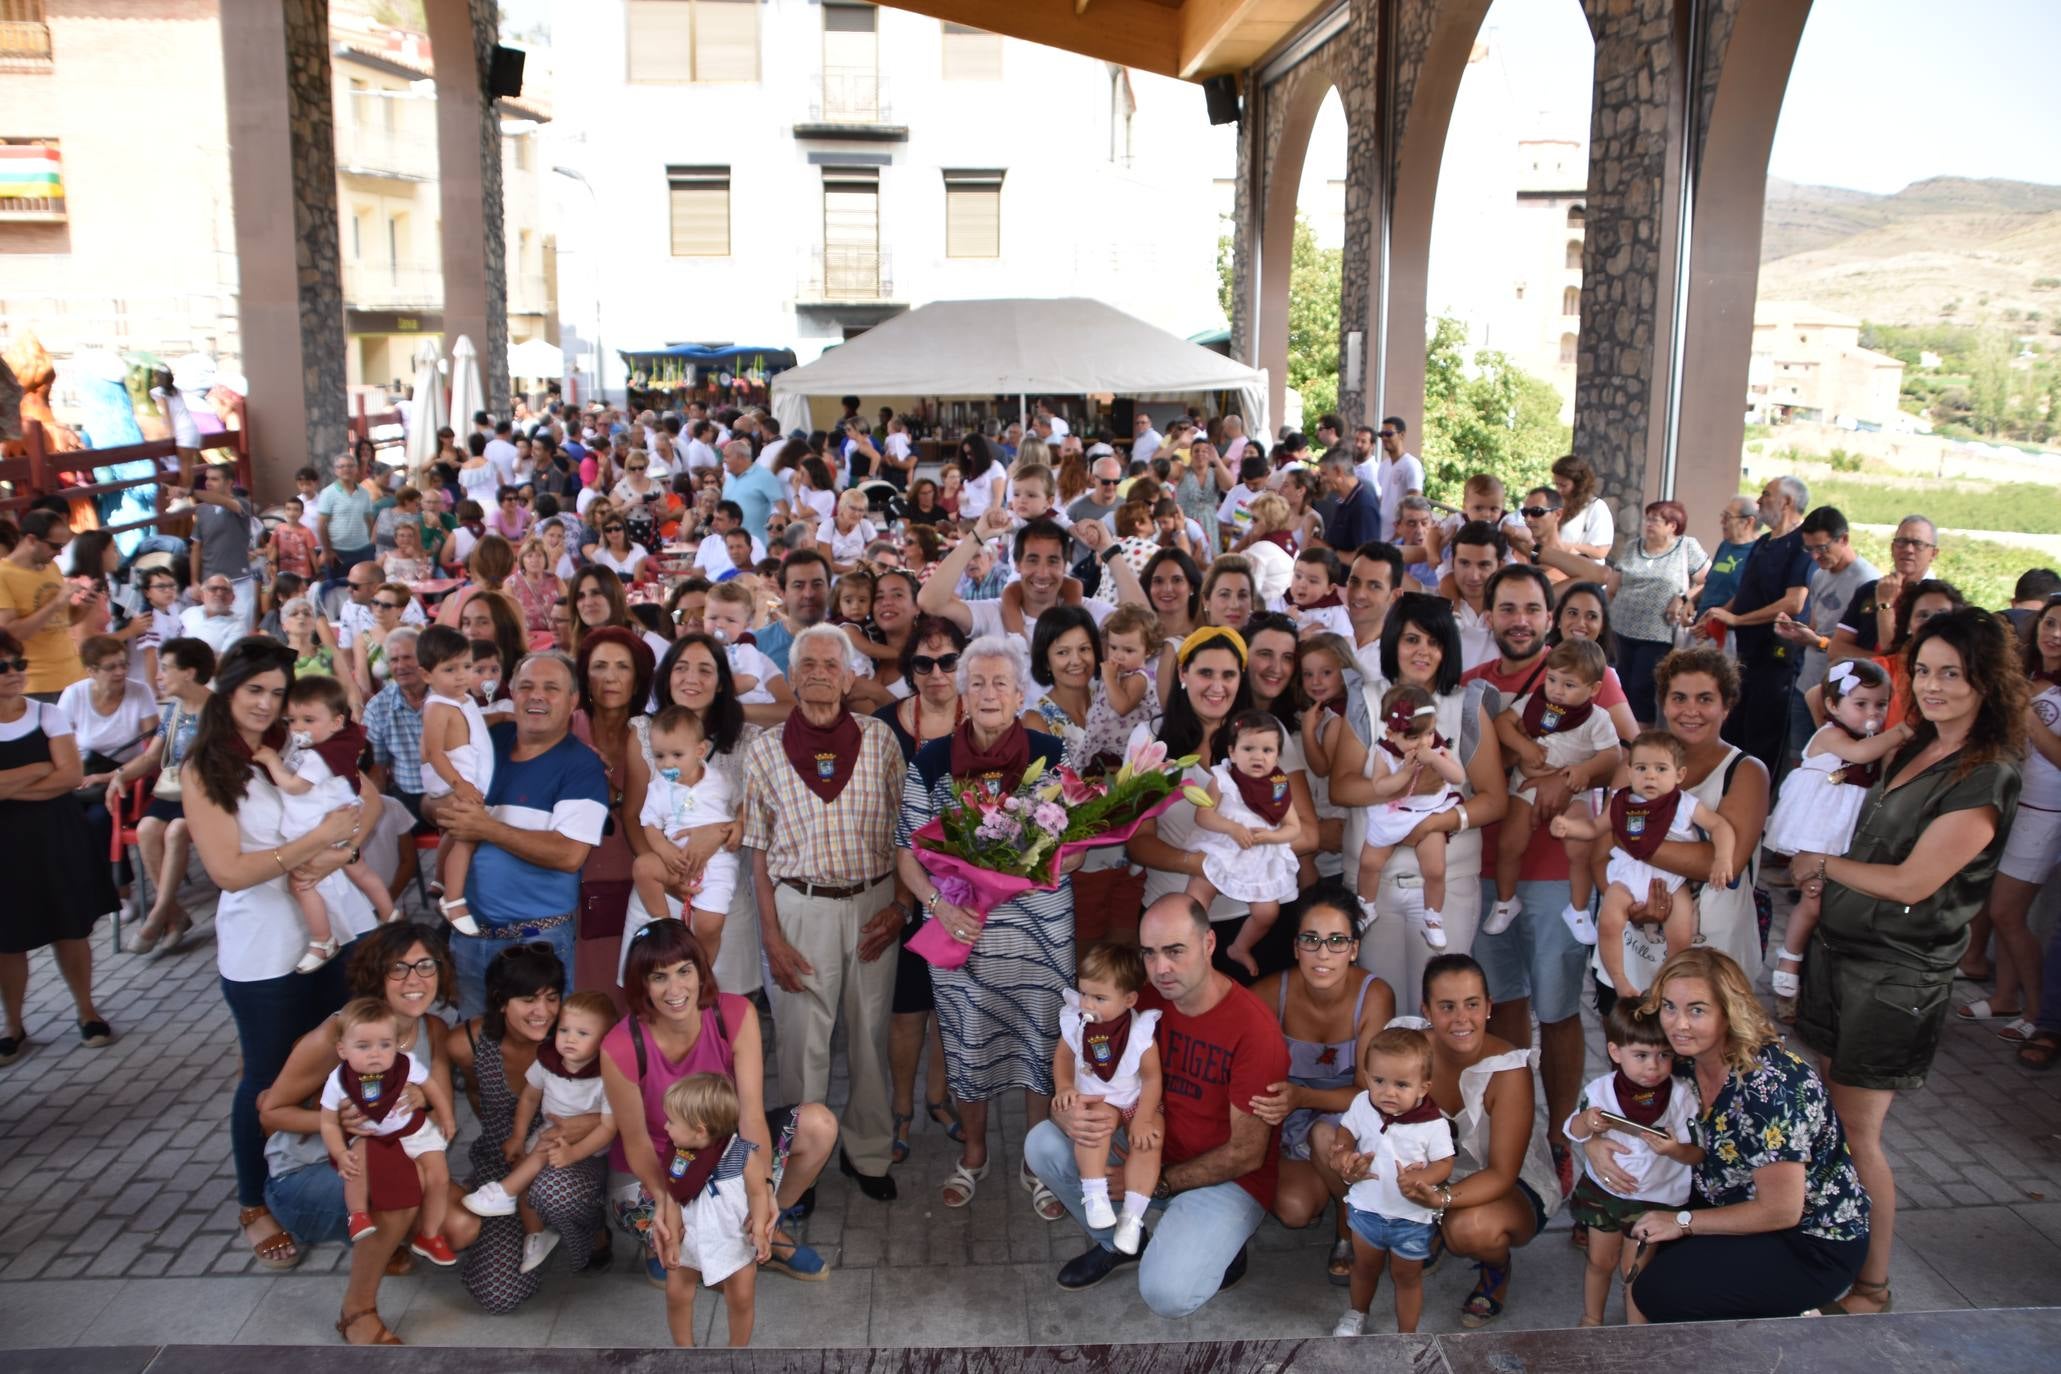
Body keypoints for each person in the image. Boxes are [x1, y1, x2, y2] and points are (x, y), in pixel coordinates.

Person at [1790, 607, 2023, 1316]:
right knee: (1831, 1119)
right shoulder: (1911, 742)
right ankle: (1827, 1250)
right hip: (1839, 955)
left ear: (1986, 681)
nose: (1931, 687)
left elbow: (1913, 883)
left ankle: (1872, 1285)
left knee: (1859, 1133)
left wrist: (1825, 866)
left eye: (1951, 673)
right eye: (1921, 671)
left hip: (1893, 978)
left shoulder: (1986, 776)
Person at [182, 639, 384, 1263]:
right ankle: (254, 1201)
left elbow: (363, 798)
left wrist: (345, 847)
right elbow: (229, 871)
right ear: (226, 690)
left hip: (332, 934)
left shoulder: (292, 744)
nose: (267, 704)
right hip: (263, 950)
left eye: (276, 692)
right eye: (255, 691)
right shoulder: (204, 767)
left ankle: (330, 1181)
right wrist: (315, 845)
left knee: (335, 1063)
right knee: (265, 1078)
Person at [1027, 895, 1290, 1316]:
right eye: (1149, 953)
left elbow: (1247, 1154)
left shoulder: (1253, 1030)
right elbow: (1081, 1071)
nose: (1160, 968)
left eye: (1174, 951)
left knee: (1166, 1293)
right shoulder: (1139, 1000)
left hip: (1222, 1178)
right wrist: (1068, 1113)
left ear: (1208, 944)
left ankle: (1218, 1243)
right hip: (1143, 1143)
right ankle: (1119, 1241)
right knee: (1044, 1142)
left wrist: (1160, 1183)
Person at [894, 635, 1077, 1216]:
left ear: (1021, 693)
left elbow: (1077, 847)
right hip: (964, 931)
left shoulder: (1054, 753)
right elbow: (908, 851)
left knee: (1041, 1041)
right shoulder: (931, 761)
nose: (990, 692)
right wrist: (936, 904)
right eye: (978, 683)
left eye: (1002, 683)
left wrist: (1041, 862)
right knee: (967, 1038)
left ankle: (1035, 1159)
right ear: (963, 695)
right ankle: (973, 1153)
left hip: (1041, 932)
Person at [1608, 949, 1870, 1322]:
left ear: (1728, 1012)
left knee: (1659, 1290)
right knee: (1644, 1250)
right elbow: (1616, 1101)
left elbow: (1781, 1210)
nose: (1678, 1024)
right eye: (1668, 1007)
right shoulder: (1679, 1059)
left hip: (1809, 1241)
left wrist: (1683, 1223)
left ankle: (1790, 1317)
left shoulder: (1770, 1088)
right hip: (1725, 1198)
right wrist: (1599, 1144)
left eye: (1697, 1010)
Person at [742, 624, 908, 1199]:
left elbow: (905, 832)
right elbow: (758, 854)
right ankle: (798, 1161)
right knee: (800, 1046)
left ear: (849, 676)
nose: (818, 673)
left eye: (830, 664)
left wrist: (903, 905)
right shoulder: (762, 751)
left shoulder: (880, 740)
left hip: (873, 903)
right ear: (790, 677)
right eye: (806, 664)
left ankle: (868, 1155)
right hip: (799, 907)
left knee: (868, 1035)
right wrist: (771, 936)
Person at [601, 920, 833, 1287]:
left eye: (684, 971)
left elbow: (751, 1116)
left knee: (819, 1125)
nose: (675, 989)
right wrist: (666, 1200)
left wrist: (763, 1191)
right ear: (641, 984)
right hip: (658, 1169)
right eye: (658, 977)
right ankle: (676, 1241)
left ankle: (766, 1225)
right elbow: (637, 1144)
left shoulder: (735, 1014)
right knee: (687, 1245)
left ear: (701, 971)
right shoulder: (619, 1045)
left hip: (726, 1152)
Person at [254, 924, 451, 1341]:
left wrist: (423, 1101)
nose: (414, 979)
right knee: (402, 1189)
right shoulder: (336, 1034)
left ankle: (390, 1241)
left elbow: (438, 1110)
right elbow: (270, 1113)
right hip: (304, 1174)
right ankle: (356, 1311)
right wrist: (335, 1122)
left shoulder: (432, 1030)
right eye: (399, 968)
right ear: (376, 975)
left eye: (425, 966)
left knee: (461, 1225)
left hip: (383, 1158)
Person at [1328, 594, 1509, 999]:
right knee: (1385, 1004)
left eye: (1434, 641)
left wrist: (1435, 823)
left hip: (1449, 884)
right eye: (1412, 639)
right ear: (1393, 642)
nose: (1422, 651)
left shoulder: (1466, 706)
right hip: (1375, 883)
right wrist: (1400, 789)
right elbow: (1341, 786)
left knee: (1442, 1006)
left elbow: (1494, 799)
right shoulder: (1367, 700)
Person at [438, 651, 610, 1015]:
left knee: (539, 1053)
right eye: (527, 686)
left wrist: (486, 827)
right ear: (511, 693)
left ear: (573, 701)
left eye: (551, 688)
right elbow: (432, 801)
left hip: (537, 941)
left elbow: (569, 855)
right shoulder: (487, 743)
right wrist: (446, 811)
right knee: (477, 1049)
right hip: (470, 936)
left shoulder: (582, 766)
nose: (537, 696)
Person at [1602, 647, 1774, 998]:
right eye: (1679, 697)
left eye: (1705, 699)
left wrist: (1630, 836)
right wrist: (1626, 905)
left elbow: (1724, 862)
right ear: (1664, 703)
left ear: (1726, 706)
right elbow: (1598, 852)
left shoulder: (1746, 771)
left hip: (1715, 960)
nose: (1691, 710)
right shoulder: (1634, 765)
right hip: (1632, 956)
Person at [872, 616, 970, 1162]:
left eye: (949, 660)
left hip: (966, 886)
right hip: (900, 881)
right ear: (909, 670)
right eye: (924, 663)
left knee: (948, 1002)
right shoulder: (884, 725)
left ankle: (940, 1097)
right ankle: (902, 1108)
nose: (937, 673)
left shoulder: (977, 719)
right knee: (907, 1007)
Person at [0, 624, 119, 1068]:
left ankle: (87, 1010)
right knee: (8, 940)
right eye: (3, 666)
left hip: (55, 834)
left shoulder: (45, 714)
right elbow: (55, 773)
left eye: (19, 664)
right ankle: (12, 1024)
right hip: (7, 846)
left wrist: (7, 786)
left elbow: (70, 776)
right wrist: (37, 768)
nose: (14, 672)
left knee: (71, 929)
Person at [1761, 659, 1907, 1003]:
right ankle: (1789, 960)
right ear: (1832, 704)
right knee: (1813, 900)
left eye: (1881, 705)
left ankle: (1816, 972)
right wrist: (1900, 731)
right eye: (1860, 704)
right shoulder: (1832, 735)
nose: (1872, 713)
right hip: (1820, 829)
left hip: (1845, 830)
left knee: (1833, 904)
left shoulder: (1865, 735)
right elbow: (1859, 753)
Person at [459, 989, 619, 1276]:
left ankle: (505, 1191)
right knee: (525, 1165)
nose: (570, 1039)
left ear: (605, 1041)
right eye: (564, 1030)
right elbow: (530, 1098)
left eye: (583, 1033)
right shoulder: (548, 1062)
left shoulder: (606, 1074)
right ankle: (536, 1234)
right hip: (547, 1132)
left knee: (536, 1160)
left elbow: (608, 1128)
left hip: (586, 1146)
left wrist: (574, 1153)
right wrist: (518, 1136)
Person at [1564, 1000, 1703, 1328]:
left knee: (1633, 1270)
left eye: (1663, 1055)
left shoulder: (1681, 1095)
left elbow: (1697, 1153)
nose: (1653, 1067)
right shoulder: (1600, 1090)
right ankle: (1591, 1318)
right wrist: (1588, 1122)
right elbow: (1572, 1129)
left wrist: (1673, 1150)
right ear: (1615, 1051)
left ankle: (1635, 1332)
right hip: (1605, 1193)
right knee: (1600, 1260)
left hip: (1656, 1199)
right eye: (1640, 1055)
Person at [251, 675, 401, 970]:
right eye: (292, 720)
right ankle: (388, 913)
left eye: (309, 720)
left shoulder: (319, 757)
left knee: (302, 884)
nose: (299, 728)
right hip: (335, 826)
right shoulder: (324, 750)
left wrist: (270, 761)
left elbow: (295, 787)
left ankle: (322, 940)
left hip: (322, 831)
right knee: (360, 871)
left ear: (336, 722)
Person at [1326, 1025, 1455, 1336]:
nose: (1388, 1092)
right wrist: (1343, 1153)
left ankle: (1406, 1335)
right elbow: (1346, 1130)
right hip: (1366, 1209)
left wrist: (1422, 1178)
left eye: (1401, 1084)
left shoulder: (1433, 1123)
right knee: (1364, 1268)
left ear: (1424, 1087)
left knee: (1407, 1277)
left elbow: (1445, 1163)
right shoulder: (1362, 1105)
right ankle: (1357, 1313)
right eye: (1379, 1081)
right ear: (1367, 1076)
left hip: (1410, 1217)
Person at [1487, 637, 1618, 934]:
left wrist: (1586, 769)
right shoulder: (1535, 703)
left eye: (1569, 685)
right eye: (1553, 679)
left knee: (1579, 846)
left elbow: (1613, 755)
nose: (1557, 690)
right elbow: (1501, 723)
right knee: (1509, 843)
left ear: (1594, 689)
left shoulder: (1597, 719)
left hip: (1575, 789)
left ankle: (1579, 909)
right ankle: (1505, 902)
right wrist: (1524, 747)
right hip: (1525, 785)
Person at [1537, 499, 1708, 725]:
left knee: (1642, 688)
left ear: (1672, 525)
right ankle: (1613, 733)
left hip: (1657, 635)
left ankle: (1638, 739)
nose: (1648, 524)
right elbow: (1612, 588)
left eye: (1655, 520)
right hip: (1620, 630)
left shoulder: (1686, 547)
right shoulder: (1632, 547)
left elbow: (1708, 580)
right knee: (1619, 684)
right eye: (1648, 519)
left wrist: (1684, 598)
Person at [320, 995, 457, 1263]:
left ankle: (430, 1234)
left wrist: (446, 1115)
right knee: (354, 1165)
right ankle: (357, 1215)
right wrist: (338, 1151)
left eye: (385, 1044)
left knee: (439, 1174)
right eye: (363, 1046)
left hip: (412, 1130)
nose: (375, 1053)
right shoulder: (339, 1080)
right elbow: (327, 1121)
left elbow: (430, 1086)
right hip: (371, 1136)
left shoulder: (404, 1064)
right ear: (342, 1050)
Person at [1052, 941, 1164, 1255]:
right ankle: (1095, 1193)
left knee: (1150, 1139)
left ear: (1129, 999)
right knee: (1094, 1125)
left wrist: (1142, 1117)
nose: (1088, 1004)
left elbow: (1153, 1077)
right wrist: (1064, 1087)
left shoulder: (1139, 1032)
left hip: (1136, 1098)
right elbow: (1062, 1057)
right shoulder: (1076, 1022)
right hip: (1100, 1097)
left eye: (1099, 998)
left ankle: (1131, 1217)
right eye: (1085, 993)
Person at [1698, 476, 1812, 779]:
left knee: (1763, 738)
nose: (1760, 501)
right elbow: (1746, 592)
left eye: (1766, 495)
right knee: (1735, 728)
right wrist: (1721, 615)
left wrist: (1738, 620)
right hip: (1745, 654)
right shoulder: (1763, 542)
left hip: (1776, 657)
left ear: (1787, 502)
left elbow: (1793, 602)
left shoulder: (1801, 544)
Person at [1187, 709, 1304, 976]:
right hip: (1224, 847)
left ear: (1277, 755)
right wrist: (1231, 827)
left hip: (1258, 855)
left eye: (1267, 750)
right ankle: (1193, 947)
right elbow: (1202, 815)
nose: (1258, 756)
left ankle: (1240, 947)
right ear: (1232, 751)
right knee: (1196, 895)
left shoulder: (1278, 786)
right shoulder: (1223, 779)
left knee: (1267, 912)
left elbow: (1293, 828)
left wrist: (1270, 837)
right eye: (1248, 748)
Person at [1773, 507, 1878, 774]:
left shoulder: (1866, 581)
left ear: (1843, 539)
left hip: (1843, 691)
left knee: (1832, 763)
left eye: (1821, 548)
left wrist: (1816, 641)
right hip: (1807, 682)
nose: (1816, 556)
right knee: (1799, 760)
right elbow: (1816, 628)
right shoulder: (1819, 575)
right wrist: (1796, 633)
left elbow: (1865, 654)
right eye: (1809, 550)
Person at [633, 706, 741, 962]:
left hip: (717, 865)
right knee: (643, 867)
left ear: (700, 751)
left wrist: (738, 824)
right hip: (676, 862)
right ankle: (667, 928)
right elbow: (648, 823)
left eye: (677, 755)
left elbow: (742, 805)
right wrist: (663, 849)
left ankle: (702, 972)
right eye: (659, 756)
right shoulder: (658, 787)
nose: (667, 763)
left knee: (709, 925)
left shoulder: (721, 781)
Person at [414, 626, 493, 935]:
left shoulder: (462, 699)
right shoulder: (437, 707)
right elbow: (434, 752)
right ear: (426, 675)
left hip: (465, 778)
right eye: (450, 669)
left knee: (452, 831)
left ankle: (439, 878)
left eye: (466, 666)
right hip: (450, 783)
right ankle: (454, 898)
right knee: (468, 833)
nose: (461, 676)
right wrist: (459, 784)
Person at [189, 462, 258, 630]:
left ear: (229, 483)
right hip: (210, 584)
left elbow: (226, 503)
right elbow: (196, 548)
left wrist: (189, 492)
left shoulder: (242, 505)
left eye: (214, 479)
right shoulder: (201, 511)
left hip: (239, 583)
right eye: (207, 479)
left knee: (240, 631)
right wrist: (194, 581)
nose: (208, 483)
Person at [315, 451, 378, 585]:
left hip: (363, 549)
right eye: (341, 466)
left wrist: (371, 544)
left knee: (364, 586)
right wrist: (327, 551)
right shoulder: (328, 493)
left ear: (356, 469)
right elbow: (321, 525)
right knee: (337, 587)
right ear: (335, 470)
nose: (346, 469)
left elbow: (369, 519)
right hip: (338, 551)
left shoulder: (364, 493)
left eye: (350, 466)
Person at [1322, 450, 1382, 552]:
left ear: (1337, 471)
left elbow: (1367, 558)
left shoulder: (1364, 507)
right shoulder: (1346, 501)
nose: (1322, 479)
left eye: (1324, 474)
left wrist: (1327, 550)